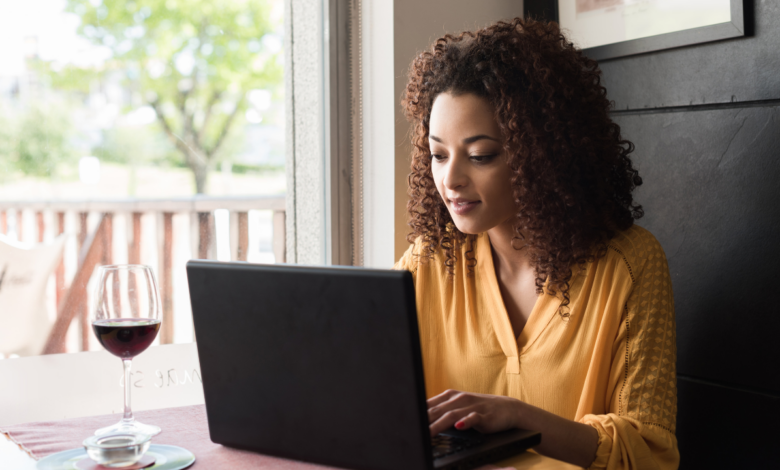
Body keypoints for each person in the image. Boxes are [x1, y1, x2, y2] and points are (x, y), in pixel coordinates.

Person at [394, 18, 679, 470]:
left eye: (481, 155)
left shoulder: (628, 264)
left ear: (542, 152)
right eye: (438, 154)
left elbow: (648, 454)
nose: (450, 180)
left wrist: (521, 419)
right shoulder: (428, 264)